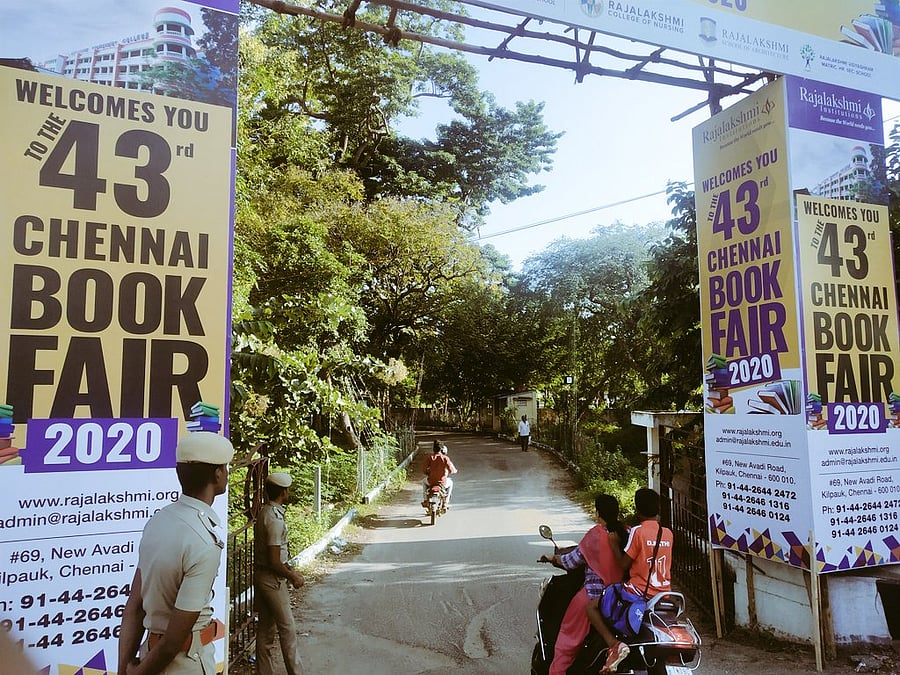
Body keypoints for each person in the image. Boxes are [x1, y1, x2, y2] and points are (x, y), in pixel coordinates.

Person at [118, 431, 234, 675]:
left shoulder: (159, 521)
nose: (226, 473)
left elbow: (134, 607)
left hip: (147, 656)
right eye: (224, 468)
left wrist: (125, 670)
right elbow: (173, 641)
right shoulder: (204, 541)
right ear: (217, 474)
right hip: (184, 663)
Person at [586, 487, 674, 673]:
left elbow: (624, 564)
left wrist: (613, 544)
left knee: (592, 607)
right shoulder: (668, 534)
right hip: (663, 595)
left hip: (638, 592)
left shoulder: (637, 531)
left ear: (637, 510)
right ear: (657, 509)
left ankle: (614, 645)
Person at [539, 494, 628, 675]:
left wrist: (552, 558)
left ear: (597, 513)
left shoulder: (595, 535)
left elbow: (571, 562)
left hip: (594, 596)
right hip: (622, 598)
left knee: (567, 640)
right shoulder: (627, 532)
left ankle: (557, 671)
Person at [255, 471, 305, 675]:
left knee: (266, 630)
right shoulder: (274, 519)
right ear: (283, 492)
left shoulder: (265, 512)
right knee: (288, 629)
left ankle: (263, 671)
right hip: (271, 580)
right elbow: (274, 560)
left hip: (263, 576)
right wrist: (292, 576)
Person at [421, 439, 457, 507]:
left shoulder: (430, 458)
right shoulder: (445, 458)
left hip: (431, 482)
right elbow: (451, 470)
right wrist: (452, 471)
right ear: (441, 449)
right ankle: (446, 502)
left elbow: (424, 470)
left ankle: (426, 500)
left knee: (423, 481)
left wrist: (429, 473)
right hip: (442, 483)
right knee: (451, 483)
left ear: (433, 449)